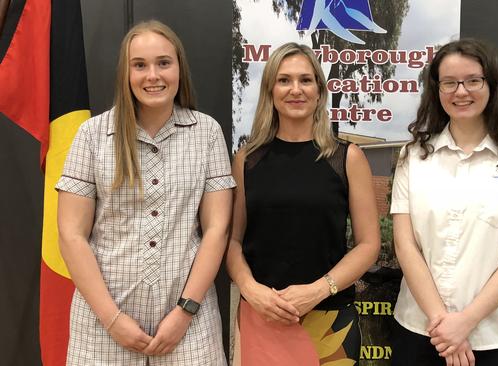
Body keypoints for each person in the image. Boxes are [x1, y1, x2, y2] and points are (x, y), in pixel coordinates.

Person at [56, 20, 233, 365]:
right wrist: (113, 319)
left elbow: (217, 229)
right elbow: (71, 235)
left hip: (189, 323)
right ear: (126, 72)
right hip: (102, 326)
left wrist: (185, 312)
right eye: (140, 65)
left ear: (179, 68)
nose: (152, 75)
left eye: (163, 63)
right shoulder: (91, 136)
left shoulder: (207, 132)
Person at [389, 38, 498, 366]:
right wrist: (444, 324)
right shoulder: (413, 157)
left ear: (491, 85)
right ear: (436, 90)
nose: (461, 91)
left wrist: (466, 321)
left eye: (473, 80)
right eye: (449, 82)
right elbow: (405, 244)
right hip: (420, 330)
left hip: (495, 337)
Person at [226, 42, 380, 365]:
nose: (295, 89)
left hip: (329, 321)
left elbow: (368, 245)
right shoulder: (246, 161)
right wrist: (250, 289)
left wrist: (319, 290)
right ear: (270, 90)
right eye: (284, 80)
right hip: (261, 318)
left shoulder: (347, 158)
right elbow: (233, 243)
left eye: (305, 80)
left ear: (320, 91)